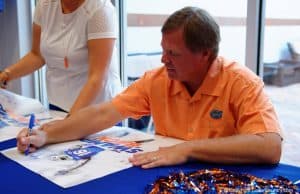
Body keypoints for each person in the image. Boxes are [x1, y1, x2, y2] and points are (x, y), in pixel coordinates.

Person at [17, 6, 282, 169]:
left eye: (173, 53)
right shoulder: (157, 80)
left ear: (205, 54)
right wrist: (46, 135)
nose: (163, 59)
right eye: (163, 50)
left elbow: (269, 146)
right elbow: (101, 114)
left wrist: (187, 149)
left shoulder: (242, 83)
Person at [0, 0, 121, 115]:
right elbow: (37, 55)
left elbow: (97, 78)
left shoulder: (100, 10)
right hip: (58, 105)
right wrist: (7, 74)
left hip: (97, 110)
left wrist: (67, 123)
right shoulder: (45, 5)